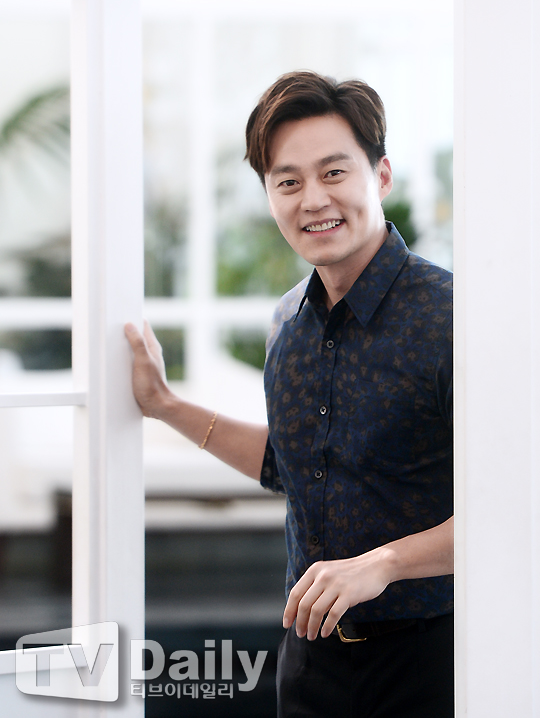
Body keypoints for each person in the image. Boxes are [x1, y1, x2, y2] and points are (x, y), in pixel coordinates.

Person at [125, 71, 454, 718]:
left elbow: (513, 509)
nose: (314, 199)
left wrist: (383, 564)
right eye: (289, 181)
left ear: (381, 175)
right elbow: (291, 463)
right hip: (310, 665)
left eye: (334, 172)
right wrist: (165, 405)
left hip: (434, 660)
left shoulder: (451, 317)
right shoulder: (287, 323)